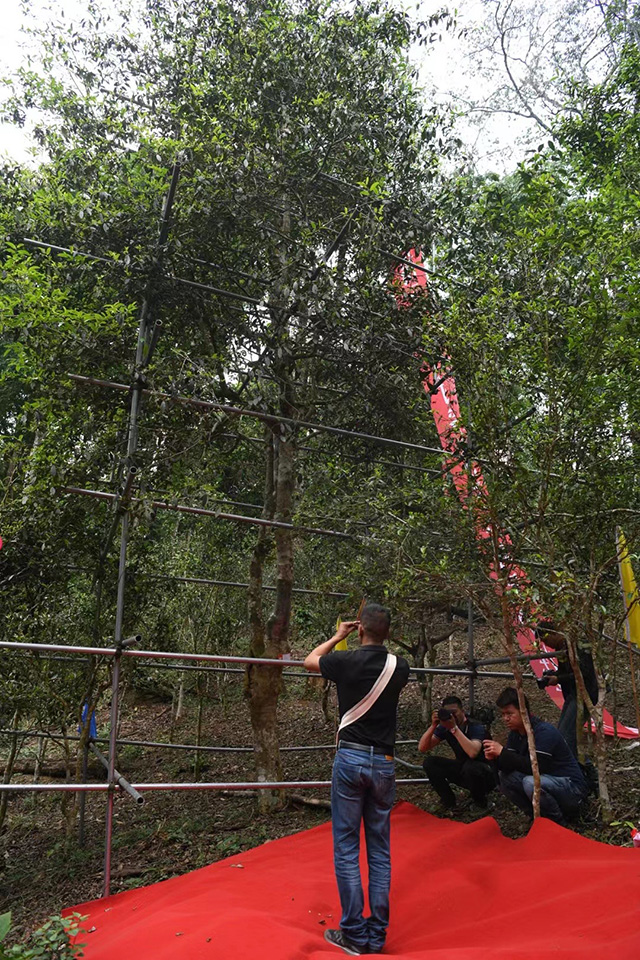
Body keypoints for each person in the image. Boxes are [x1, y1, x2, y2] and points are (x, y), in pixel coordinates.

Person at [304, 603, 410, 957]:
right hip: (384, 762)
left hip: (350, 759)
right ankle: (376, 935)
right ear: (389, 633)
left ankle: (353, 933)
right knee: (380, 850)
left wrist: (338, 635)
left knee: (347, 848)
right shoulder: (400, 667)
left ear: (360, 629)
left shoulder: (345, 661)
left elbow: (309, 660)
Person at [483, 687, 589, 826]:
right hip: (547, 784)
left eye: (509, 713)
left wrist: (503, 753)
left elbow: (537, 768)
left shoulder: (544, 732)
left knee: (531, 782)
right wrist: (494, 759)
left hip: (571, 788)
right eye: (503, 714)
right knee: (506, 778)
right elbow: (509, 768)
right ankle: (536, 818)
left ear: (523, 711)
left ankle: (558, 824)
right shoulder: (516, 734)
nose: (506, 718)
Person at [418, 695, 495, 812]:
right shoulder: (446, 727)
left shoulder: (475, 726)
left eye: (454, 712)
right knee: (430, 763)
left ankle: (481, 803)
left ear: (462, 711)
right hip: (463, 769)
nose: (451, 716)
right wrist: (433, 725)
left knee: (471, 767)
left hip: (486, 773)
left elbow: (473, 753)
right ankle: (448, 801)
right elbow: (422, 748)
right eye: (448, 713)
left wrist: (454, 729)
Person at [534, 620, 599, 758]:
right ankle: (579, 767)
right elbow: (566, 671)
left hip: (585, 693)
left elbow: (583, 673)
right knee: (564, 733)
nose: (547, 645)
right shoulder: (561, 647)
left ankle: (576, 770)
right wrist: (553, 675)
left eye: (545, 640)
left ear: (553, 633)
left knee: (566, 734)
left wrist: (559, 679)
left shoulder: (575, 644)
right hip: (574, 694)